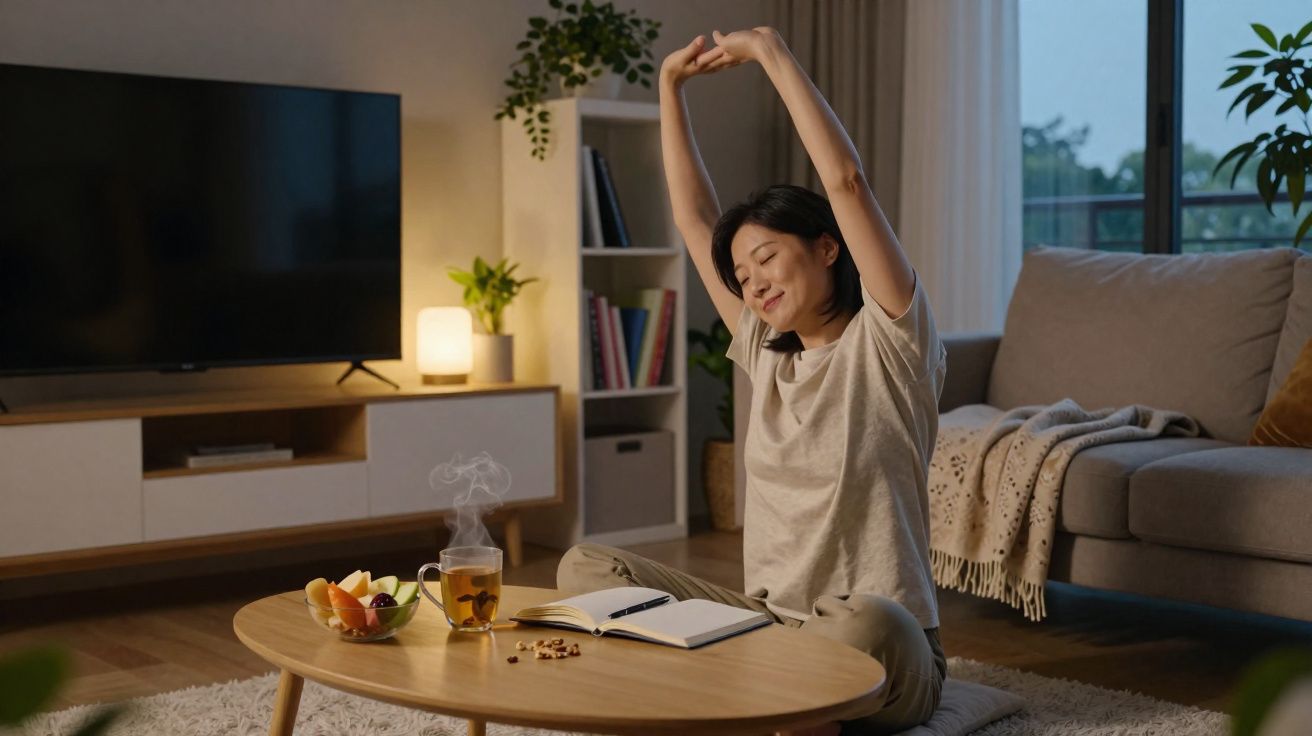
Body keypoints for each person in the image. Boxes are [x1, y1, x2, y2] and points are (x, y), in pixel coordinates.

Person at [557, 27, 946, 735]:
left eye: (767, 258)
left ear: (828, 247)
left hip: (882, 646)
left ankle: (740, 696)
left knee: (869, 621)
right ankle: (760, 692)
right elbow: (693, 217)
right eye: (742, 274)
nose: (754, 284)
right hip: (767, 629)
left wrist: (773, 56)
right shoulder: (763, 351)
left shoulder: (890, 343)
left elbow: (845, 183)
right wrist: (668, 88)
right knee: (584, 567)